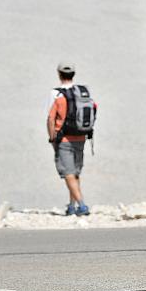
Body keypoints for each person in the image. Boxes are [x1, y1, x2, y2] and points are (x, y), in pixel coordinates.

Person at [46, 62, 95, 216]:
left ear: (59, 74)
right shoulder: (83, 93)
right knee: (75, 172)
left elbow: (50, 118)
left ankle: (82, 205)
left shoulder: (57, 95)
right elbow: (94, 108)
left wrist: (52, 138)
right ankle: (72, 206)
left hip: (64, 139)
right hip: (81, 137)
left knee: (68, 173)